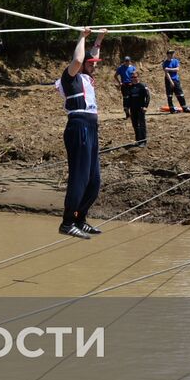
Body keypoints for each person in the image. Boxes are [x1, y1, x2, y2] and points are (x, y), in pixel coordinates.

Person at [55, 28, 108, 239]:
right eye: (91, 63)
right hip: (78, 126)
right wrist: (82, 37)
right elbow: (78, 59)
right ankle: (67, 222)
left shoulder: (87, 77)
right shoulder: (70, 78)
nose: (94, 65)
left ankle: (80, 218)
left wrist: (99, 38)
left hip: (92, 128)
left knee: (94, 181)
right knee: (79, 178)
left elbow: (90, 57)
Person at [160, 49, 190, 113]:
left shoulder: (176, 61)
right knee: (170, 95)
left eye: (172, 53)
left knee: (180, 94)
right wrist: (171, 81)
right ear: (167, 54)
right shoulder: (165, 63)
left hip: (176, 79)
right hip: (168, 80)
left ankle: (184, 108)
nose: (172, 55)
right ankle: (172, 109)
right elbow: (166, 73)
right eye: (170, 53)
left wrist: (168, 69)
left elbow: (177, 69)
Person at [125, 71, 151, 146]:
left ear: (138, 77)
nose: (133, 79)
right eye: (132, 77)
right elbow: (128, 98)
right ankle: (138, 140)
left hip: (141, 108)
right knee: (135, 124)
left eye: (135, 77)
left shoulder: (142, 86)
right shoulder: (130, 87)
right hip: (133, 108)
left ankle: (143, 141)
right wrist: (127, 107)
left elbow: (148, 97)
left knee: (141, 124)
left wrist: (146, 106)